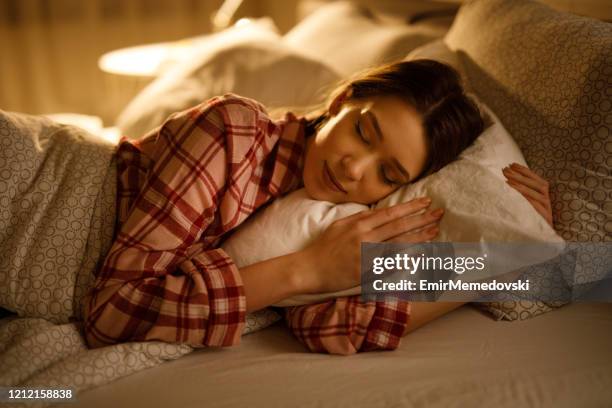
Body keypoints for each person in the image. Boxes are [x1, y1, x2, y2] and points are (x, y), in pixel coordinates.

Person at [82, 59, 554, 354]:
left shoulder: (339, 219)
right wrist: (307, 269)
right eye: (363, 132)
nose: (353, 170)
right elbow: (111, 313)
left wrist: (505, 254)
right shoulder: (235, 131)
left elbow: (340, 327)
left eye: (387, 175)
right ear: (342, 102)